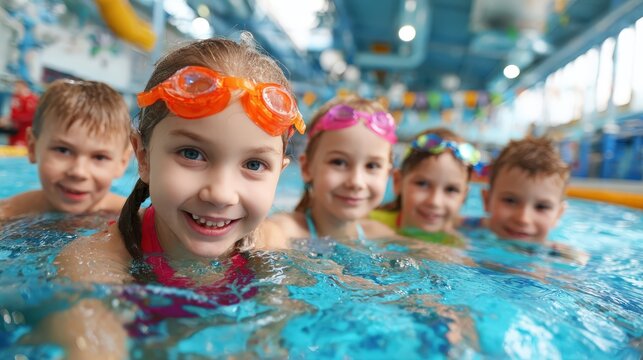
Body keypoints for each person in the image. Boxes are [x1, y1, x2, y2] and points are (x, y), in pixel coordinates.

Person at [29, 36, 306, 359]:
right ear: (143, 157)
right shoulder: (93, 264)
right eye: (192, 153)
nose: (220, 193)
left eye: (254, 164)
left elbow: (274, 339)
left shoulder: (270, 244)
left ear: (279, 174)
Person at [262, 95, 397, 246]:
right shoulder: (282, 231)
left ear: (387, 175)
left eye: (372, 166)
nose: (356, 182)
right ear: (307, 168)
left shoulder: (382, 236)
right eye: (339, 162)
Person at [0, 79, 132, 220]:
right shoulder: (7, 214)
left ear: (122, 162)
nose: (78, 172)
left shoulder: (132, 219)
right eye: (63, 150)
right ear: (32, 147)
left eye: (99, 157)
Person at [370, 128, 482, 246]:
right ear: (398, 182)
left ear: (464, 197)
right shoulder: (370, 222)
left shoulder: (456, 245)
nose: (435, 201)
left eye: (451, 189)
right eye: (422, 184)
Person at [482, 136, 568, 243]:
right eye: (510, 201)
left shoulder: (555, 253)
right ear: (487, 200)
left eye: (541, 207)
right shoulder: (468, 227)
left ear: (558, 214)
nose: (523, 219)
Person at [0, 79, 39, 146]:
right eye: (15, 86)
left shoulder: (31, 99)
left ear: (23, 87)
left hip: (24, 134)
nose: (15, 89)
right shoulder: (16, 97)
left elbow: (31, 117)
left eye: (17, 86)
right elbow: (13, 113)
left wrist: (11, 120)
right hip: (15, 133)